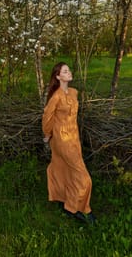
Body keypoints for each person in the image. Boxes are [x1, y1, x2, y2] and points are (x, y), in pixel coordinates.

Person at [42, 62, 96, 224]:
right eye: (65, 71)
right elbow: (47, 117)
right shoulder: (56, 96)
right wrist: (47, 134)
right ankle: (78, 208)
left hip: (74, 138)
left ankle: (64, 199)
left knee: (64, 169)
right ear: (58, 76)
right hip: (62, 139)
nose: (69, 72)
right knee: (83, 176)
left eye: (69, 70)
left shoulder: (73, 93)